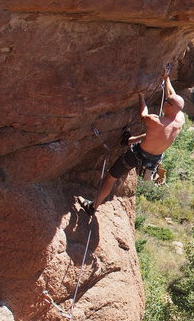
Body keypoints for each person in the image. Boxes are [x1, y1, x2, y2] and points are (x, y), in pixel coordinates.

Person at [78, 70, 185, 215]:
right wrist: (166, 78)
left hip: (137, 155)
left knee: (111, 177)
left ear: (170, 106)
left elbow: (143, 115)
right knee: (151, 136)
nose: (164, 102)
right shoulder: (180, 119)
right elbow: (171, 96)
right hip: (154, 159)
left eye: (166, 102)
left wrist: (141, 96)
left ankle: (93, 207)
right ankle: (130, 141)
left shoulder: (156, 122)